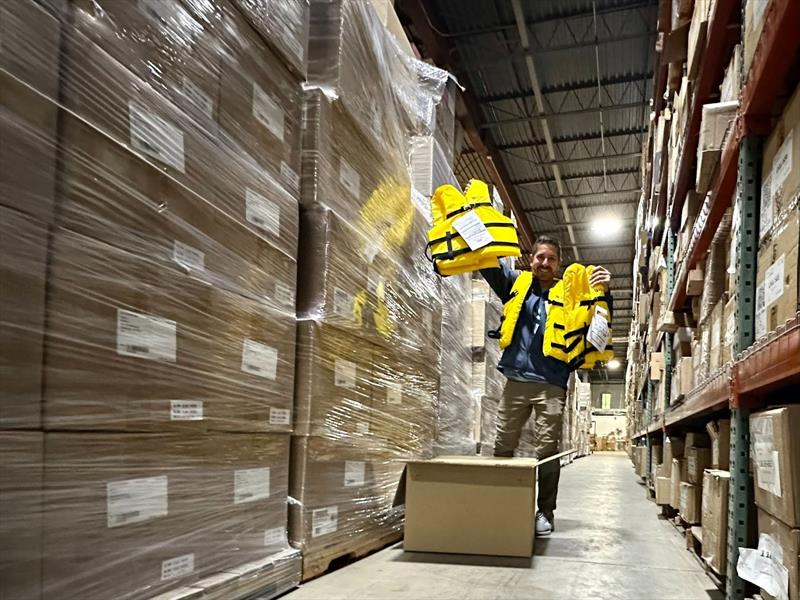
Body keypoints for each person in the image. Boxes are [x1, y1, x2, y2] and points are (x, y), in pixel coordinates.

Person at [480, 235, 612, 537]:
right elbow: (489, 267)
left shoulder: (572, 292)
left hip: (551, 383)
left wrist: (606, 289)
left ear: (558, 263)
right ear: (531, 259)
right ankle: (503, 504)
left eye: (551, 258)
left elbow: (598, 314)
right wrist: (476, 233)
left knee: (547, 449)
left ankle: (545, 511)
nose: (544, 263)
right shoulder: (517, 283)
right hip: (516, 379)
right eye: (540, 257)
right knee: (503, 444)